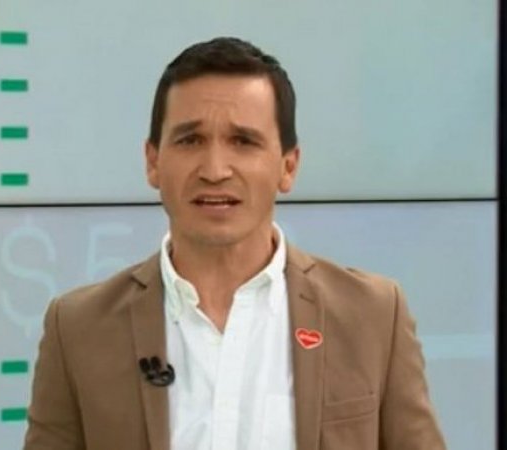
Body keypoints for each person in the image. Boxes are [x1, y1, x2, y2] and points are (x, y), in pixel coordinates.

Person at [23, 37, 446, 450]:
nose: (215, 170)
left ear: (288, 166)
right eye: (190, 140)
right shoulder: (77, 329)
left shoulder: (372, 316)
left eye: (243, 142)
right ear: (153, 162)